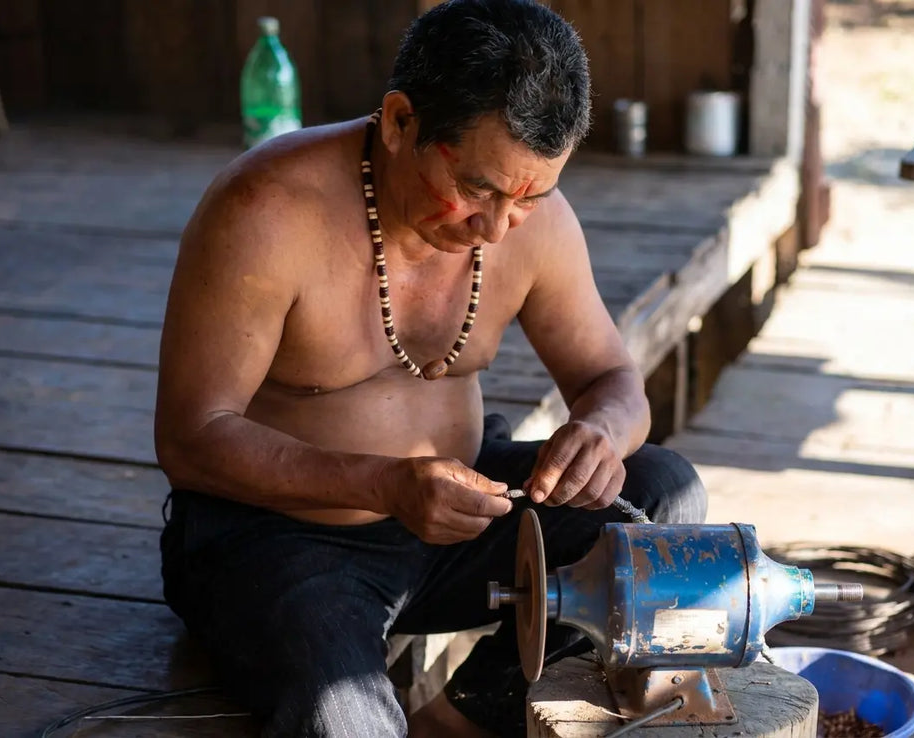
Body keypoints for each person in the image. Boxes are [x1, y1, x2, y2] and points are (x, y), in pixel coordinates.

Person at [155, 1, 707, 736]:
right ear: (398, 122)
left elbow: (612, 379)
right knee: (341, 718)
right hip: (283, 540)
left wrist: (602, 433)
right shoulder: (267, 210)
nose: (498, 226)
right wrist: (382, 481)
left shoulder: (533, 221)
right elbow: (190, 437)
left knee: (665, 500)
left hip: (464, 517)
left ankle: (468, 712)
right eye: (477, 188)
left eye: (530, 195)